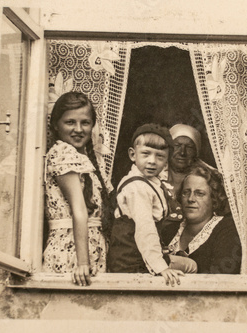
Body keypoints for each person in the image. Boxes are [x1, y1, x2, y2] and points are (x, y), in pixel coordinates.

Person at [108, 123, 197, 286]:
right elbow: (144, 228)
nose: (152, 162)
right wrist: (161, 267)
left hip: (139, 253)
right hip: (130, 261)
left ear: (166, 161)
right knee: (190, 267)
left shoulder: (150, 183)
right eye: (146, 154)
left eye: (160, 157)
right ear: (132, 155)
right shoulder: (138, 188)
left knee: (189, 264)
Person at [42, 92, 108, 286]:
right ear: (56, 125)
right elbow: (79, 211)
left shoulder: (83, 158)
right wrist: (82, 263)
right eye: (70, 122)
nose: (78, 129)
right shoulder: (62, 153)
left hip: (89, 246)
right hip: (71, 251)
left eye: (85, 123)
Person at [168, 165, 242, 274]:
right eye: (186, 192)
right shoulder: (169, 230)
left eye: (199, 194)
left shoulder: (227, 230)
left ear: (214, 199)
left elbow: (221, 281)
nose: (191, 199)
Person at [166, 124, 208, 194]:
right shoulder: (155, 174)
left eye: (189, 147)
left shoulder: (207, 178)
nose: (182, 152)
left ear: (196, 152)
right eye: (177, 146)